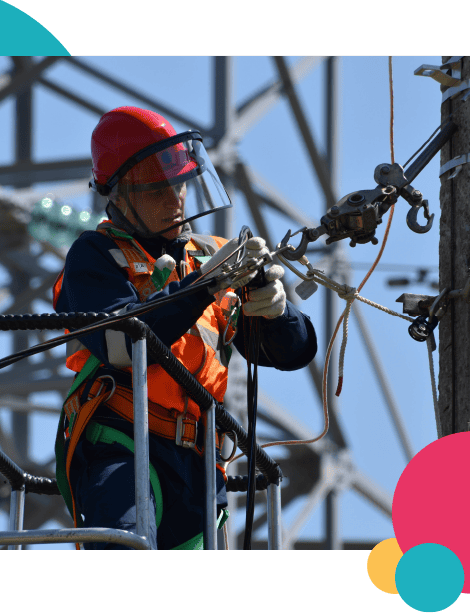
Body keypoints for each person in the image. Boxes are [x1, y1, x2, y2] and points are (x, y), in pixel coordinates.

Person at [53, 106, 317, 549]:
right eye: (158, 190)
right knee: (126, 555)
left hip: (199, 463)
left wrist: (276, 310)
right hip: (124, 439)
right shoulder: (96, 256)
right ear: (120, 196)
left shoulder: (208, 256)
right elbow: (121, 345)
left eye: (178, 186)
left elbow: (293, 353)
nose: (174, 199)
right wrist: (204, 287)